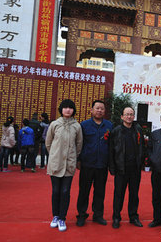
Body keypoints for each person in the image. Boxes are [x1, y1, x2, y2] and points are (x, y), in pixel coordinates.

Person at [46, 99, 83, 232]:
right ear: (61, 110)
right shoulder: (55, 124)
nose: (68, 110)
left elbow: (79, 145)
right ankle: (55, 216)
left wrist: (72, 157)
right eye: (65, 108)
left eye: (70, 108)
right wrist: (55, 155)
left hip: (69, 164)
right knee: (56, 191)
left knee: (65, 191)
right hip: (55, 163)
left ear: (73, 110)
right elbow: (48, 143)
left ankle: (62, 218)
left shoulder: (76, 126)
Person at [76, 100, 113, 227]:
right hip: (87, 164)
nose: (99, 110)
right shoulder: (84, 125)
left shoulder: (109, 126)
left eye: (102, 108)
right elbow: (79, 144)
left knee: (100, 191)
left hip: (102, 165)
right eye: (97, 108)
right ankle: (81, 214)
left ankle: (98, 215)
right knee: (84, 191)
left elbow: (111, 146)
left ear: (104, 111)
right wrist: (78, 160)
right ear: (91, 110)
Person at [109, 106, 144, 229]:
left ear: (134, 116)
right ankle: (116, 217)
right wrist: (112, 167)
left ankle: (133, 217)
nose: (129, 117)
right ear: (122, 117)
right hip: (121, 168)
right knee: (119, 194)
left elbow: (142, 148)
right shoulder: (116, 131)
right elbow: (111, 151)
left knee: (134, 195)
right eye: (127, 114)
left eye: (131, 114)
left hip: (135, 168)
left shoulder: (138, 129)